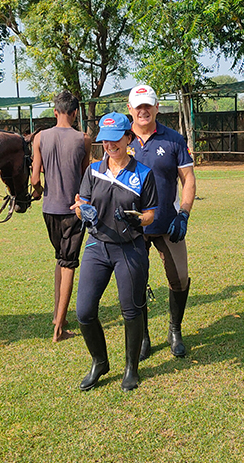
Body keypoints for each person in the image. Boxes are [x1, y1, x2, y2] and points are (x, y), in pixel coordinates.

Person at [73, 112, 157, 391]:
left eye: (115, 139)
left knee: (130, 311)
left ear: (129, 138)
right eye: (105, 141)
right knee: (84, 311)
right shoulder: (93, 170)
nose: (109, 145)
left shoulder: (143, 173)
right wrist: (81, 210)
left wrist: (140, 220)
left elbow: (151, 213)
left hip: (130, 249)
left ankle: (131, 368)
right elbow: (81, 201)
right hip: (97, 246)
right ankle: (100, 362)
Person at [126, 84, 196, 359]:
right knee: (134, 280)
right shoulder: (121, 140)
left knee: (179, 278)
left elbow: (188, 179)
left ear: (157, 107)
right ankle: (143, 336)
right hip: (133, 226)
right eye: (138, 106)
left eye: (148, 105)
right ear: (129, 109)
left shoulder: (173, 140)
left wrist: (185, 213)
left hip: (167, 222)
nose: (143, 111)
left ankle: (174, 330)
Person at [30, 90, 93, 342]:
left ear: (55, 112)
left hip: (48, 209)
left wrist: (39, 190)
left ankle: (59, 316)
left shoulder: (40, 137)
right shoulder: (83, 139)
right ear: (75, 113)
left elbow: (35, 179)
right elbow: (85, 175)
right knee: (68, 264)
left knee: (60, 259)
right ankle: (58, 330)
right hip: (73, 210)